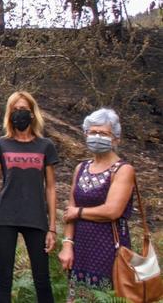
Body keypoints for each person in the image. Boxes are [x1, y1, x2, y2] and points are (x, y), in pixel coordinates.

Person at [0, 91, 58, 303]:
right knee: (4, 278)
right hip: (6, 218)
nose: (20, 114)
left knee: (42, 279)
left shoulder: (46, 146)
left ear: (32, 113)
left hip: (36, 218)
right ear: (9, 114)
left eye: (24, 110)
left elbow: (51, 188)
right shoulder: (1, 144)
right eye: (15, 110)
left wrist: (52, 227)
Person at [60, 108, 135, 302]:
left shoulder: (123, 170)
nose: (97, 136)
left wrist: (79, 212)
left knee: (106, 296)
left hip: (109, 247)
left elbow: (112, 211)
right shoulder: (81, 168)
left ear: (115, 138)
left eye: (103, 133)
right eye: (92, 132)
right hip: (81, 247)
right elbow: (70, 211)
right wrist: (67, 244)